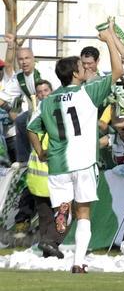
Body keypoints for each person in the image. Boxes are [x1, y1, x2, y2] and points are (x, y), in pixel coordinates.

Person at [26, 26, 123, 273]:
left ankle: (62, 212)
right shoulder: (87, 92)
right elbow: (118, 71)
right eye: (81, 66)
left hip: (58, 164)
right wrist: (110, 39)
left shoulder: (47, 101)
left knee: (65, 209)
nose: (85, 68)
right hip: (83, 161)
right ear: (75, 74)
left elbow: (30, 128)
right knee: (84, 213)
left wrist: (40, 152)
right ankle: (78, 263)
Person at [25, 80, 66, 258]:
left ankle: (46, 248)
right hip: (47, 177)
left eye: (46, 90)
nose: (43, 94)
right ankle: (50, 243)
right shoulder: (47, 117)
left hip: (38, 178)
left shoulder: (36, 116)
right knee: (59, 215)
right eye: (39, 92)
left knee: (46, 216)